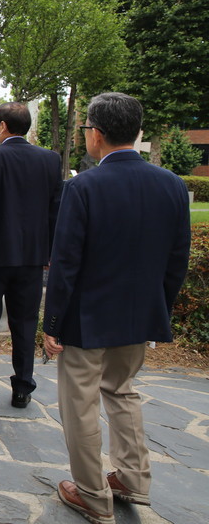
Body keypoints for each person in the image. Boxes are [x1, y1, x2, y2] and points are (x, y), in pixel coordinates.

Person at [43, 93, 190, 524]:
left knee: (80, 404)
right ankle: (133, 479)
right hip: (140, 314)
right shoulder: (173, 185)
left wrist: (52, 323)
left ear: (98, 135)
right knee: (122, 391)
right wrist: (157, 307)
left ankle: (92, 493)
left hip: (87, 320)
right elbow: (176, 259)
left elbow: (66, 261)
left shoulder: (84, 187)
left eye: (86, 128)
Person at [0, 102, 62, 409]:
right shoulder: (49, 159)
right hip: (32, 258)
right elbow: (55, 211)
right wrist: (50, 252)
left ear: (2, 126)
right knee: (25, 321)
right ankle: (22, 388)